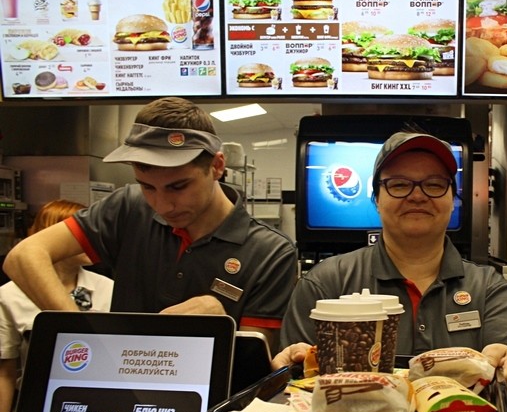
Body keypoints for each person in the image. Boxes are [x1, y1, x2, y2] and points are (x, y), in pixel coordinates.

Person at [275, 128, 507, 412]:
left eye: (434, 184)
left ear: (452, 198)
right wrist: (284, 376)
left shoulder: (487, 288)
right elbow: (290, 394)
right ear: (376, 199)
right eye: (399, 184)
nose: (417, 196)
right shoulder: (326, 282)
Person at [2, 97, 297, 354]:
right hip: (123, 390)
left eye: (178, 187)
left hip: (211, 407)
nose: (162, 205)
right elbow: (24, 257)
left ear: (217, 166)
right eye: (147, 187)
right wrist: (81, 333)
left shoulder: (270, 251)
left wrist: (222, 327)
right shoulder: (128, 207)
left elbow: (258, 361)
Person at [0, 200, 114, 412]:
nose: (92, 243)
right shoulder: (9, 295)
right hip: (37, 406)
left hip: (101, 402)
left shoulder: (109, 288)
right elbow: (5, 372)